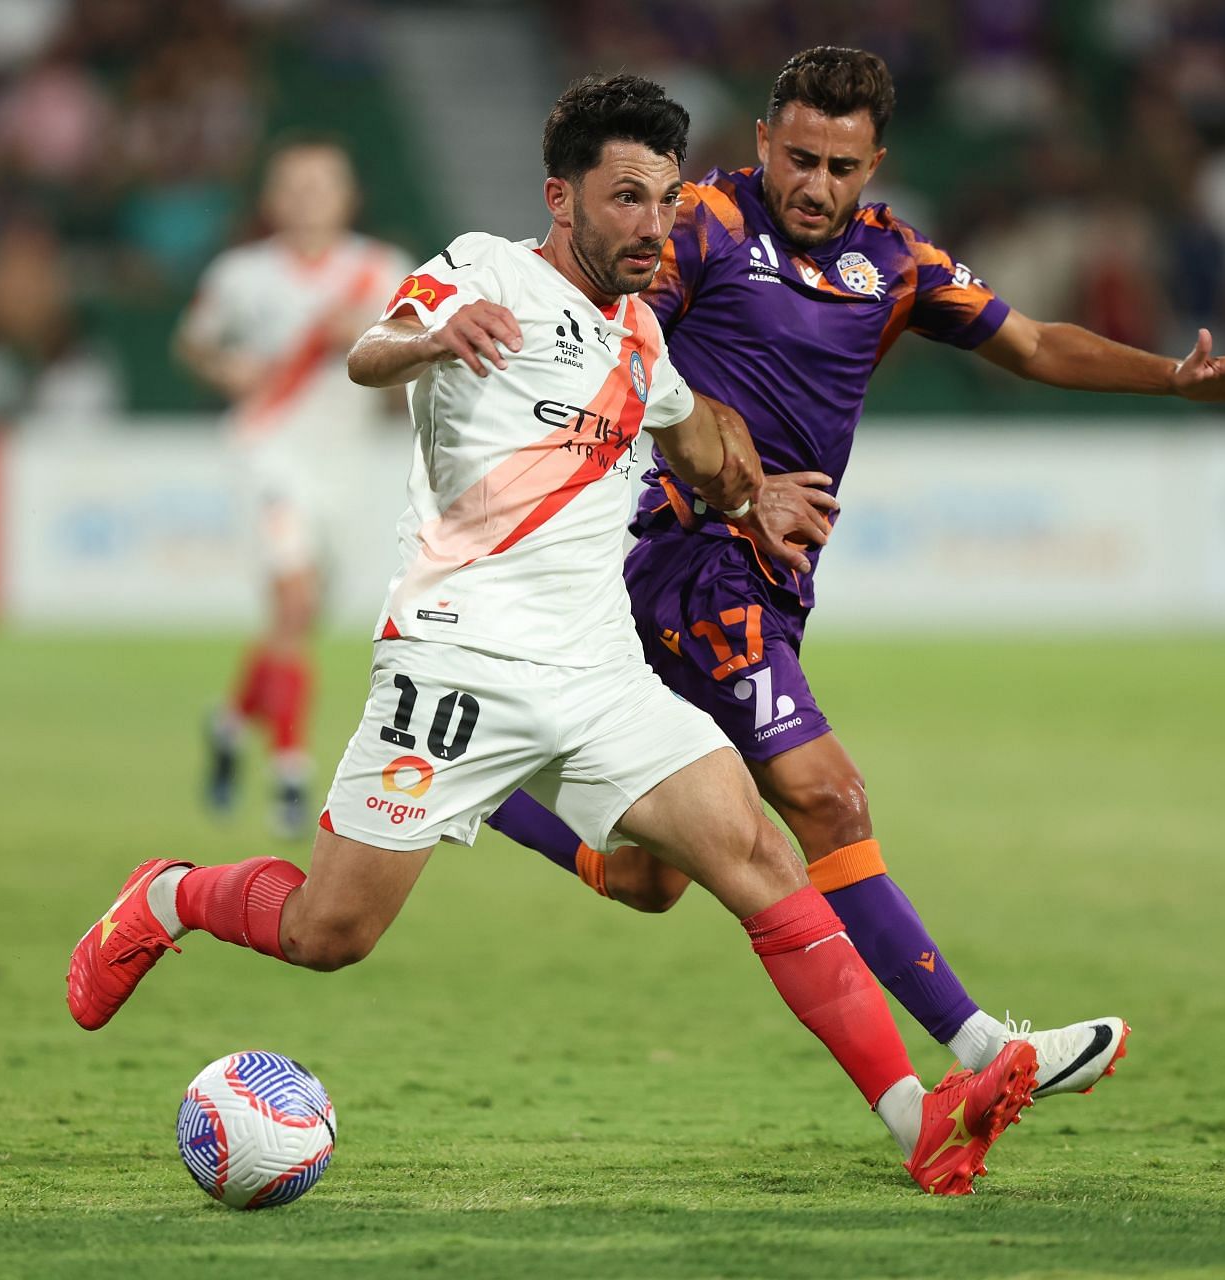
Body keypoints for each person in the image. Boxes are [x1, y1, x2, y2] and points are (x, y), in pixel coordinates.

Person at [71, 75, 1037, 1198]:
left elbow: (699, 442)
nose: (653, 225)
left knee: (761, 859)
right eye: (627, 197)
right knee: (326, 930)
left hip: (598, 672)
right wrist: (434, 334)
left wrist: (754, 494)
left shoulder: (641, 341)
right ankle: (165, 896)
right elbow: (369, 355)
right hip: (454, 659)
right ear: (562, 196)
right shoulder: (485, 268)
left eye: (668, 201)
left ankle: (919, 1115)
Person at [484, 47, 1225, 1099]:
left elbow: (1038, 344)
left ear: (875, 166)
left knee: (652, 878)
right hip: (687, 559)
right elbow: (622, 347)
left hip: (770, 581)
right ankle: (981, 1050)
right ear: (766, 141)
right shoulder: (709, 226)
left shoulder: (896, 263)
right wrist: (740, 484)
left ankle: (492, 777)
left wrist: (1172, 381)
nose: (816, 185)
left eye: (843, 166)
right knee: (828, 797)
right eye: (801, 157)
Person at [176, 135, 409, 837]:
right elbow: (193, 341)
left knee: (296, 621)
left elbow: (411, 364)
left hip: (345, 461)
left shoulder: (381, 270)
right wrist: (227, 371)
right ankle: (290, 775)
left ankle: (225, 725)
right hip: (269, 453)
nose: (309, 198)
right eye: (295, 186)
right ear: (272, 199)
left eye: (323, 185)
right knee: (295, 599)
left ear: (348, 196)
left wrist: (370, 343)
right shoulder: (242, 273)